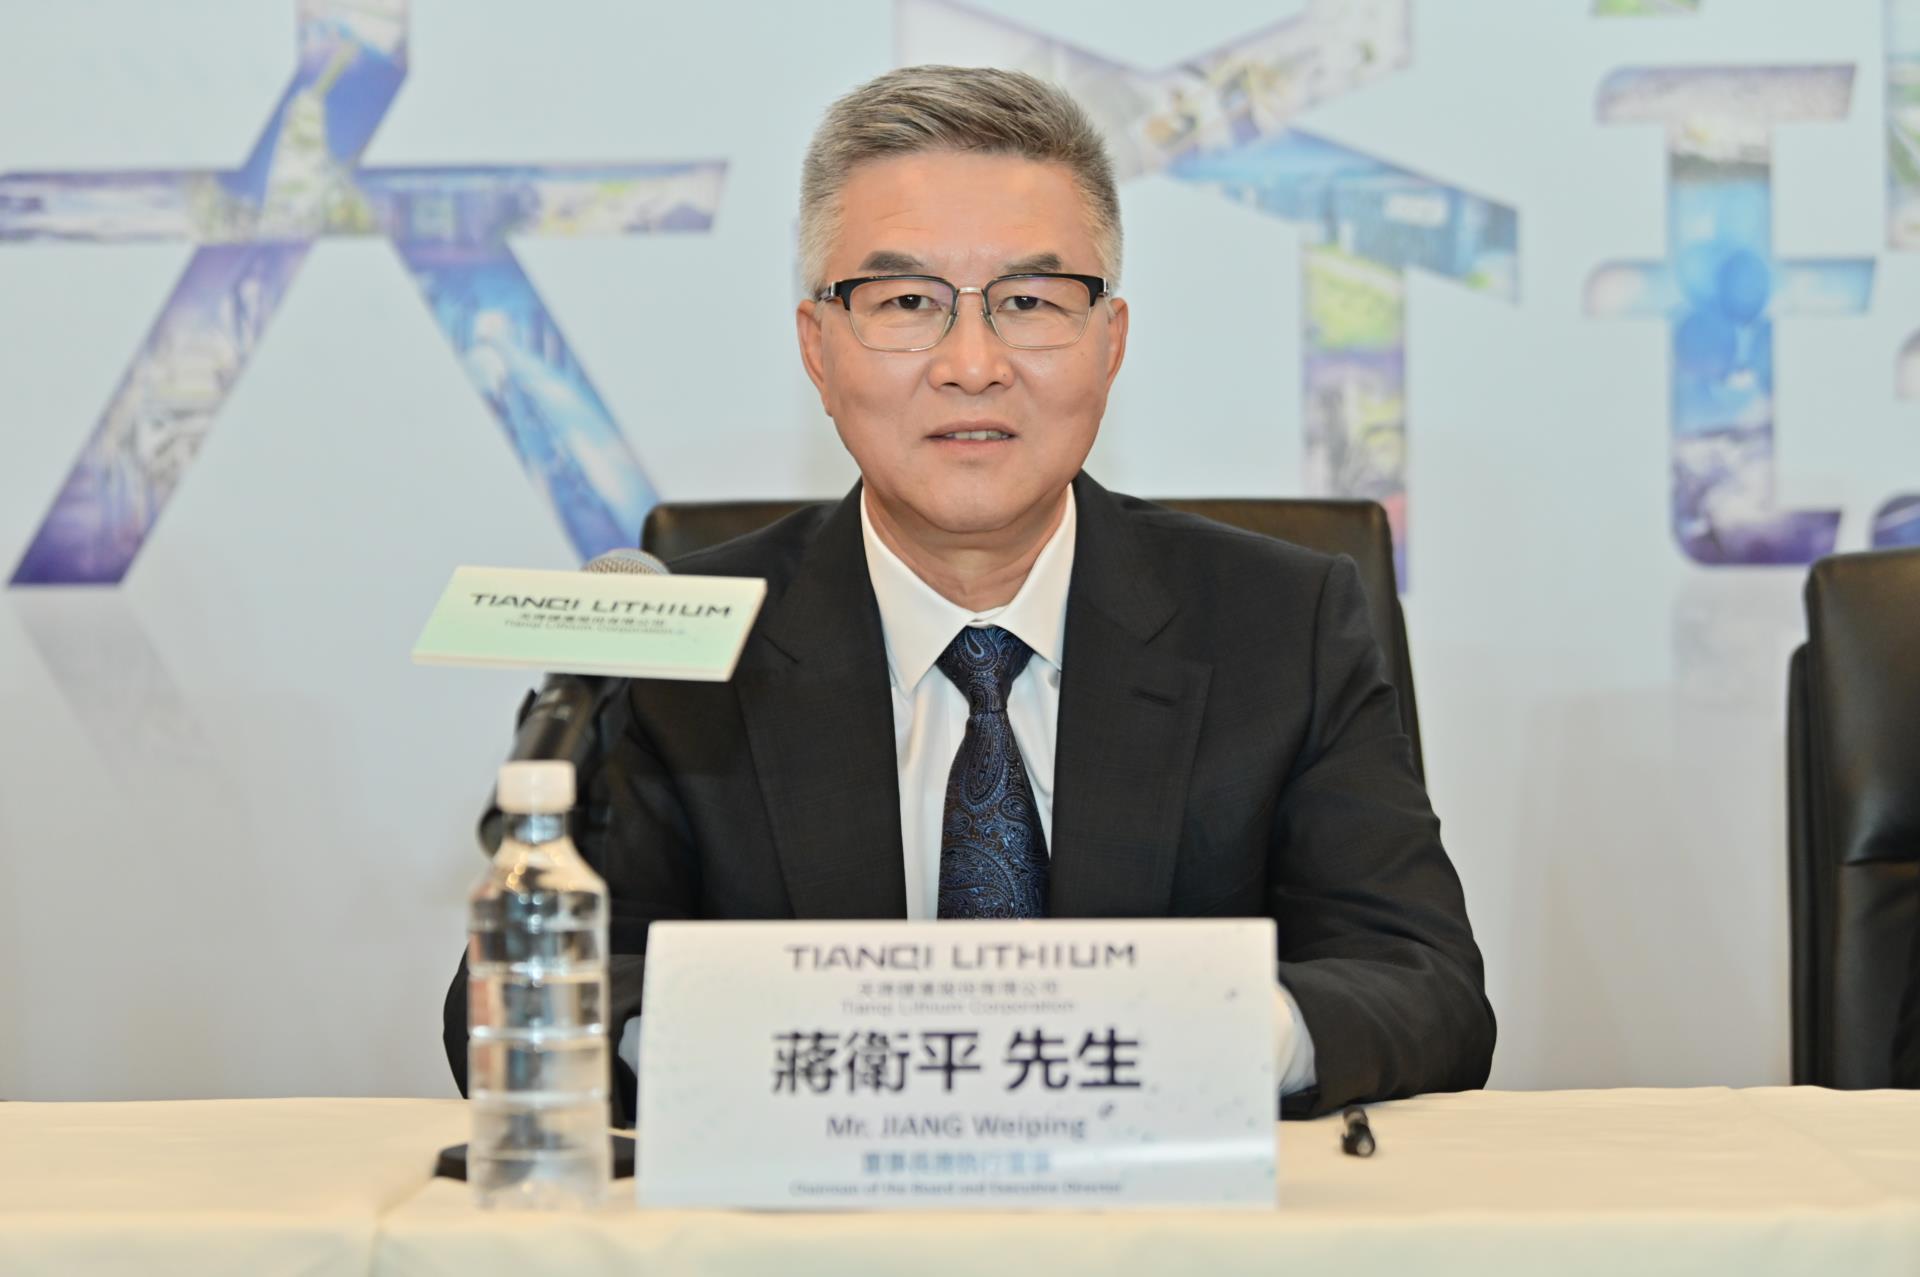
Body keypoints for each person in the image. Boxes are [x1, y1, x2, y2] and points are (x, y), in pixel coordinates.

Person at [444, 65, 1494, 1123]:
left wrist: (1206, 1037)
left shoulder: (1283, 623)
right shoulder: (680, 652)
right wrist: (778, 1049)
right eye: (908, 303)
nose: (973, 363)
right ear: (817, 347)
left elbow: (1423, 982)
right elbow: (519, 996)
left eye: (1030, 302)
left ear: (1111, 341)